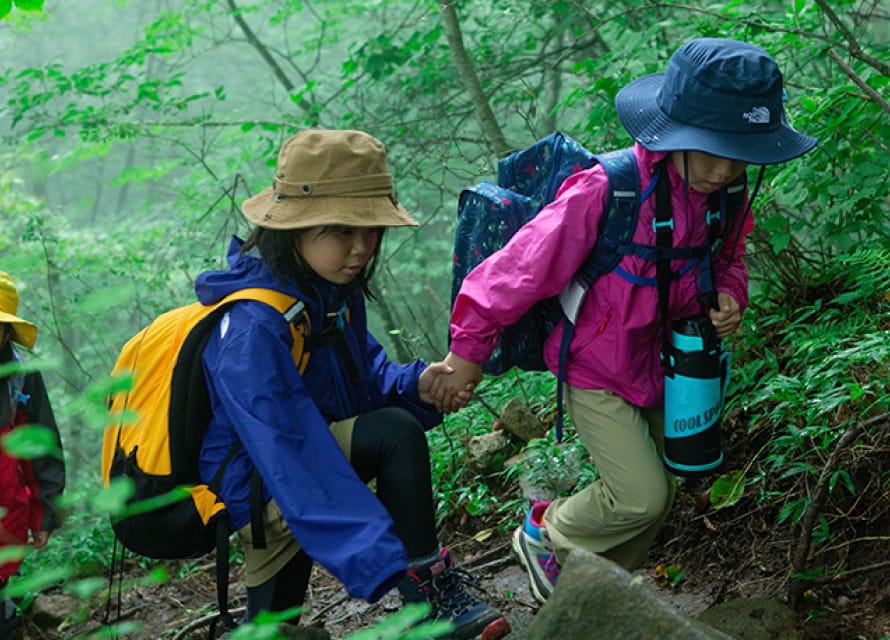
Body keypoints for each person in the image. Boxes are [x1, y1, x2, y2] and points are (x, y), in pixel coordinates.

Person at [435, 37, 818, 603]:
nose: (723, 169)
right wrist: (465, 355)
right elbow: (511, 273)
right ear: (674, 134)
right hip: (594, 367)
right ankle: (548, 531)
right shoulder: (606, 190)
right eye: (710, 150)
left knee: (666, 482)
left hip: (668, 365)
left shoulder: (726, 194)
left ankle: (595, 589)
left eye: (738, 153)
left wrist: (730, 296)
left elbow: (727, 260)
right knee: (641, 497)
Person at [197, 129, 508, 639]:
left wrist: (419, 384)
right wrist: (373, 557)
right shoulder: (253, 326)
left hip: (298, 467)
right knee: (394, 433)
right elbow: (288, 447)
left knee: (269, 631)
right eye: (342, 230)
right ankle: (430, 603)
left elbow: (365, 377)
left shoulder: (327, 295)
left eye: (372, 230)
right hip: (267, 483)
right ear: (294, 229)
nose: (362, 246)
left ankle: (429, 608)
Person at [0, 273, 66, 636]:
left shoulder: (20, 378)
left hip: (6, 517)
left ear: (7, 334)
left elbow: (41, 447)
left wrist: (44, 512)